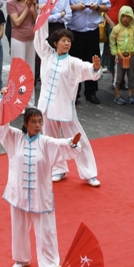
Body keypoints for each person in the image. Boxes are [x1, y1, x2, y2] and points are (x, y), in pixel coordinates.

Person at [0, 93, 82, 267]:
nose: (38, 125)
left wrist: (72, 143)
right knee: (19, 227)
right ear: (25, 124)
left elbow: (62, 145)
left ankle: (50, 264)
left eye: (40, 121)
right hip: (18, 192)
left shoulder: (46, 142)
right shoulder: (14, 138)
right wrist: (3, 101)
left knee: (46, 230)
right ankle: (21, 258)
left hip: (40, 195)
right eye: (33, 122)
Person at [34, 26, 103, 187]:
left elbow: (88, 70)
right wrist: (42, 18)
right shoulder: (47, 55)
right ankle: (58, 169)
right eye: (63, 40)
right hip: (46, 106)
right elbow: (39, 38)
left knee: (78, 139)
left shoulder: (73, 62)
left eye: (69, 41)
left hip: (65, 107)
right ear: (55, 43)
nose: (67, 43)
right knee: (51, 140)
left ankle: (89, 173)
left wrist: (95, 68)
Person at [65, 0, 110, 105]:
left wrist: (97, 7)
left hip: (92, 31)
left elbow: (107, 6)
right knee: (74, 63)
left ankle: (91, 92)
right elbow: (63, 7)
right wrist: (76, 7)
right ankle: (74, 93)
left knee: (92, 61)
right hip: (74, 32)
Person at [6, 0, 37, 105]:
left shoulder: (30, 1)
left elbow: (34, 19)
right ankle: (18, 101)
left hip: (31, 37)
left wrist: (34, 6)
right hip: (18, 38)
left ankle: (30, 101)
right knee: (19, 70)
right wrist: (27, 7)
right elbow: (17, 22)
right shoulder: (11, 2)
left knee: (30, 69)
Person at [102, 0, 134, 78]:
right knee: (112, 52)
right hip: (112, 25)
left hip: (127, 26)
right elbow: (103, 8)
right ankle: (114, 77)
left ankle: (122, 79)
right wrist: (110, 22)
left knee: (125, 52)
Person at [109, 5, 134, 105]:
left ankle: (130, 95)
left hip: (131, 55)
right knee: (118, 76)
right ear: (120, 16)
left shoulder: (133, 29)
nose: (125, 18)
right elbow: (112, 41)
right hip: (119, 56)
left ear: (131, 17)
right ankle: (117, 95)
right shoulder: (116, 28)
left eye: (128, 16)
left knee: (131, 76)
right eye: (123, 16)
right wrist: (114, 53)